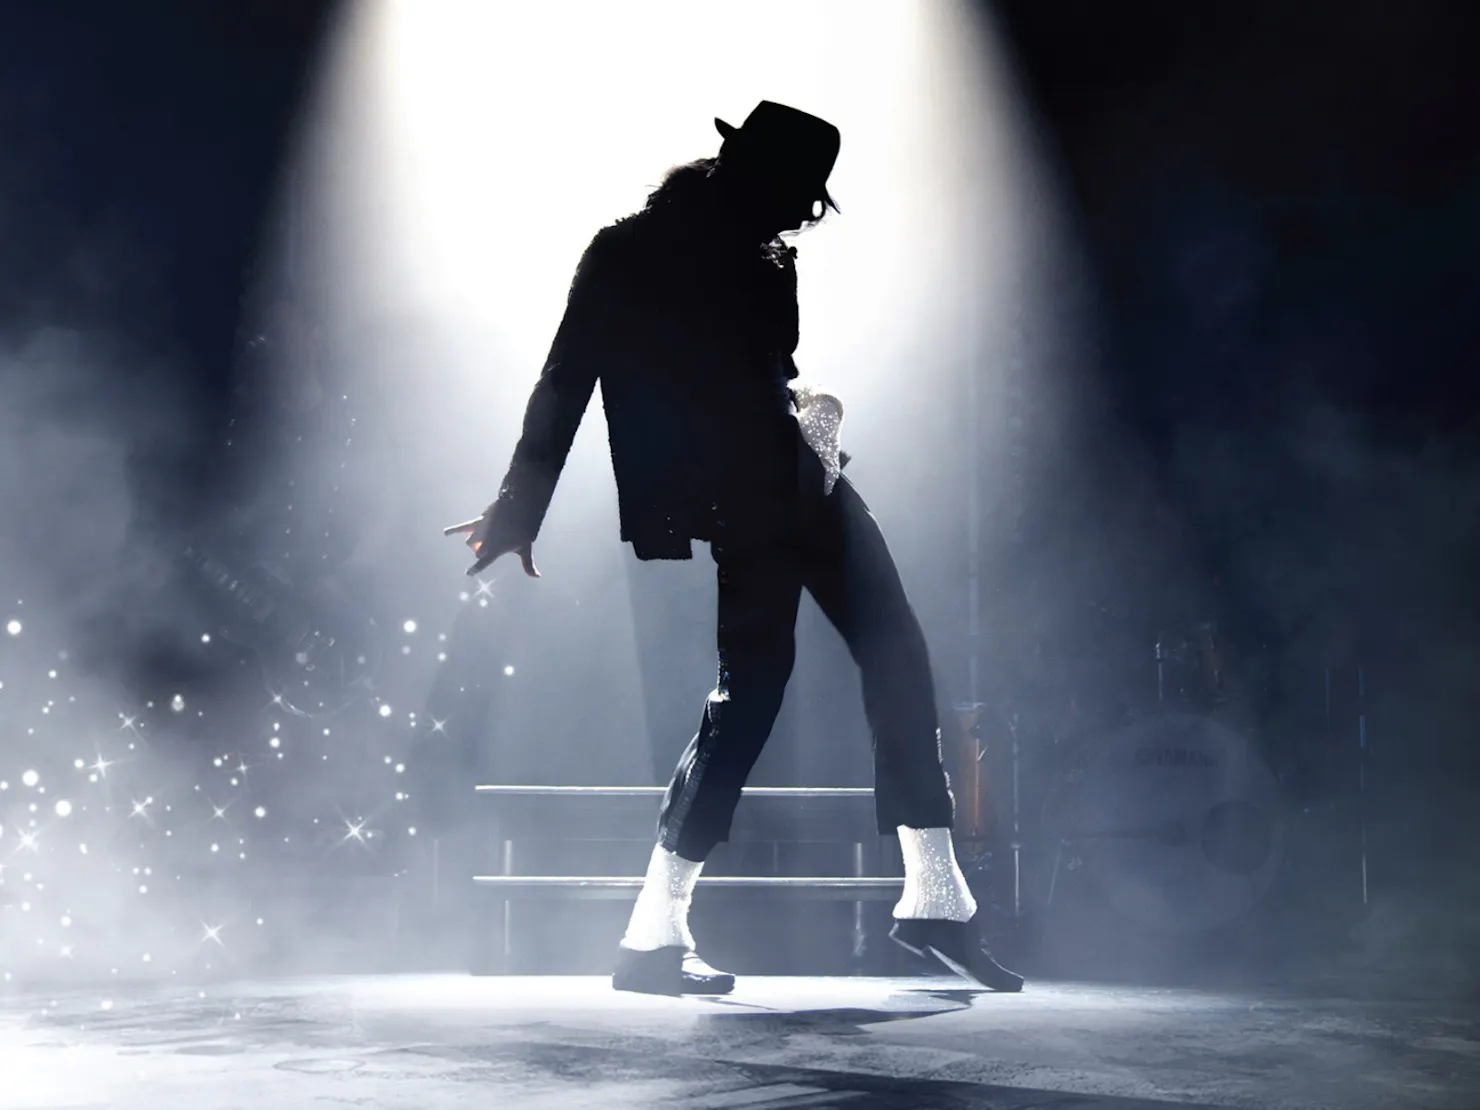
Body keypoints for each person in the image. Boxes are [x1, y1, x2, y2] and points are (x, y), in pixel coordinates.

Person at [446, 102, 1023, 996]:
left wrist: (815, 422)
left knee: (896, 654)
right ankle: (651, 934)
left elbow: (768, 376)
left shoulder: (767, 253)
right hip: (744, 497)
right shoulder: (629, 253)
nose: (805, 218)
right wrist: (519, 507)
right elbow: (567, 376)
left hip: (804, 477)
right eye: (799, 196)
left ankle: (936, 902)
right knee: (748, 698)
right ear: (750, 174)